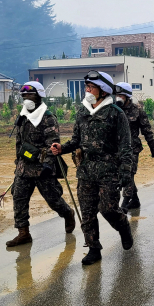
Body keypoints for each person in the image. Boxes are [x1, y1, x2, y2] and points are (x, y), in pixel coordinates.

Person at [50, 71, 133, 265]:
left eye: (91, 87)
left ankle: (123, 226)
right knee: (87, 212)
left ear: (103, 90)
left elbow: (125, 147)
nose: (87, 90)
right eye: (86, 86)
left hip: (108, 170)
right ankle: (94, 248)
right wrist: (62, 148)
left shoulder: (116, 113)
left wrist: (126, 172)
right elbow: (77, 140)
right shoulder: (83, 111)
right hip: (86, 170)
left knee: (108, 209)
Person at [6, 81, 76, 248]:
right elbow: (19, 142)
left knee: (53, 200)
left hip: (42, 168)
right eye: (23, 95)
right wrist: (18, 162)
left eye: (29, 95)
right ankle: (23, 233)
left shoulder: (47, 117)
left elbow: (53, 144)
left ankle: (68, 213)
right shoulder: (22, 116)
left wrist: (47, 164)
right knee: (19, 198)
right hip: (24, 167)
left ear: (38, 96)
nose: (26, 98)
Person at [114, 82, 154, 210]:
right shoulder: (114, 110)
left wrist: (152, 145)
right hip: (117, 148)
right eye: (117, 95)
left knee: (129, 173)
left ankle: (125, 202)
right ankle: (135, 199)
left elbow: (146, 129)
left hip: (132, 147)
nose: (118, 98)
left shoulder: (137, 110)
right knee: (122, 173)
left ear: (127, 96)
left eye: (121, 95)